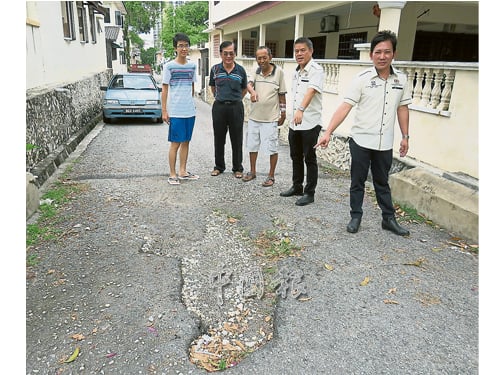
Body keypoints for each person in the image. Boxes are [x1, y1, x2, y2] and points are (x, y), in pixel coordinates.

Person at [315, 30, 411, 236]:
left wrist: (405, 136)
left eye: (387, 52)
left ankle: (389, 219)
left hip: (384, 143)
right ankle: (356, 216)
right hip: (360, 140)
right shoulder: (362, 79)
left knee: (382, 182)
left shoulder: (401, 80)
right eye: (378, 52)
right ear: (371, 55)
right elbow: (345, 106)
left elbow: (402, 108)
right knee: (357, 181)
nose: (382, 56)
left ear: (394, 53)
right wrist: (328, 131)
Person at [280, 37, 324, 206]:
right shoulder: (296, 71)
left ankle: (309, 192)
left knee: (309, 158)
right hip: (295, 123)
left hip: (310, 122)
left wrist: (301, 110)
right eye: (296, 51)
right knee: (295, 156)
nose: (299, 54)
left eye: (302, 50)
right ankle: (297, 186)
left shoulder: (316, 70)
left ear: (311, 51)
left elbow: (311, 91)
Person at [243, 46, 287, 187]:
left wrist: (283, 113)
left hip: (271, 118)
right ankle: (252, 172)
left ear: (270, 57)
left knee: (272, 148)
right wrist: (252, 92)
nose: (262, 60)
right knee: (252, 146)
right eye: (259, 58)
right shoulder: (255, 71)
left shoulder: (279, 72)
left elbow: (282, 95)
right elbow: (248, 84)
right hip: (254, 117)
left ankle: (271, 176)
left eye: (264, 57)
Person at [162, 32, 199, 185]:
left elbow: (191, 86)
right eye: (180, 46)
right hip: (176, 111)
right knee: (175, 143)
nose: (184, 48)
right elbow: (164, 89)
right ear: (175, 48)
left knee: (186, 142)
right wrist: (164, 110)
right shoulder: (169, 66)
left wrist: (191, 103)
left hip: (189, 111)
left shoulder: (192, 66)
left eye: (186, 45)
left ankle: (183, 171)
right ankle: (172, 174)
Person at [209, 41, 248, 178]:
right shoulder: (215, 69)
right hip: (219, 107)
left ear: (235, 54)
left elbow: (244, 89)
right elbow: (213, 87)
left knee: (237, 138)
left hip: (236, 107)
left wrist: (235, 99)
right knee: (219, 138)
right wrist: (220, 97)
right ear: (221, 54)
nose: (228, 56)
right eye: (225, 53)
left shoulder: (241, 70)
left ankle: (238, 168)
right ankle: (219, 166)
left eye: (231, 53)